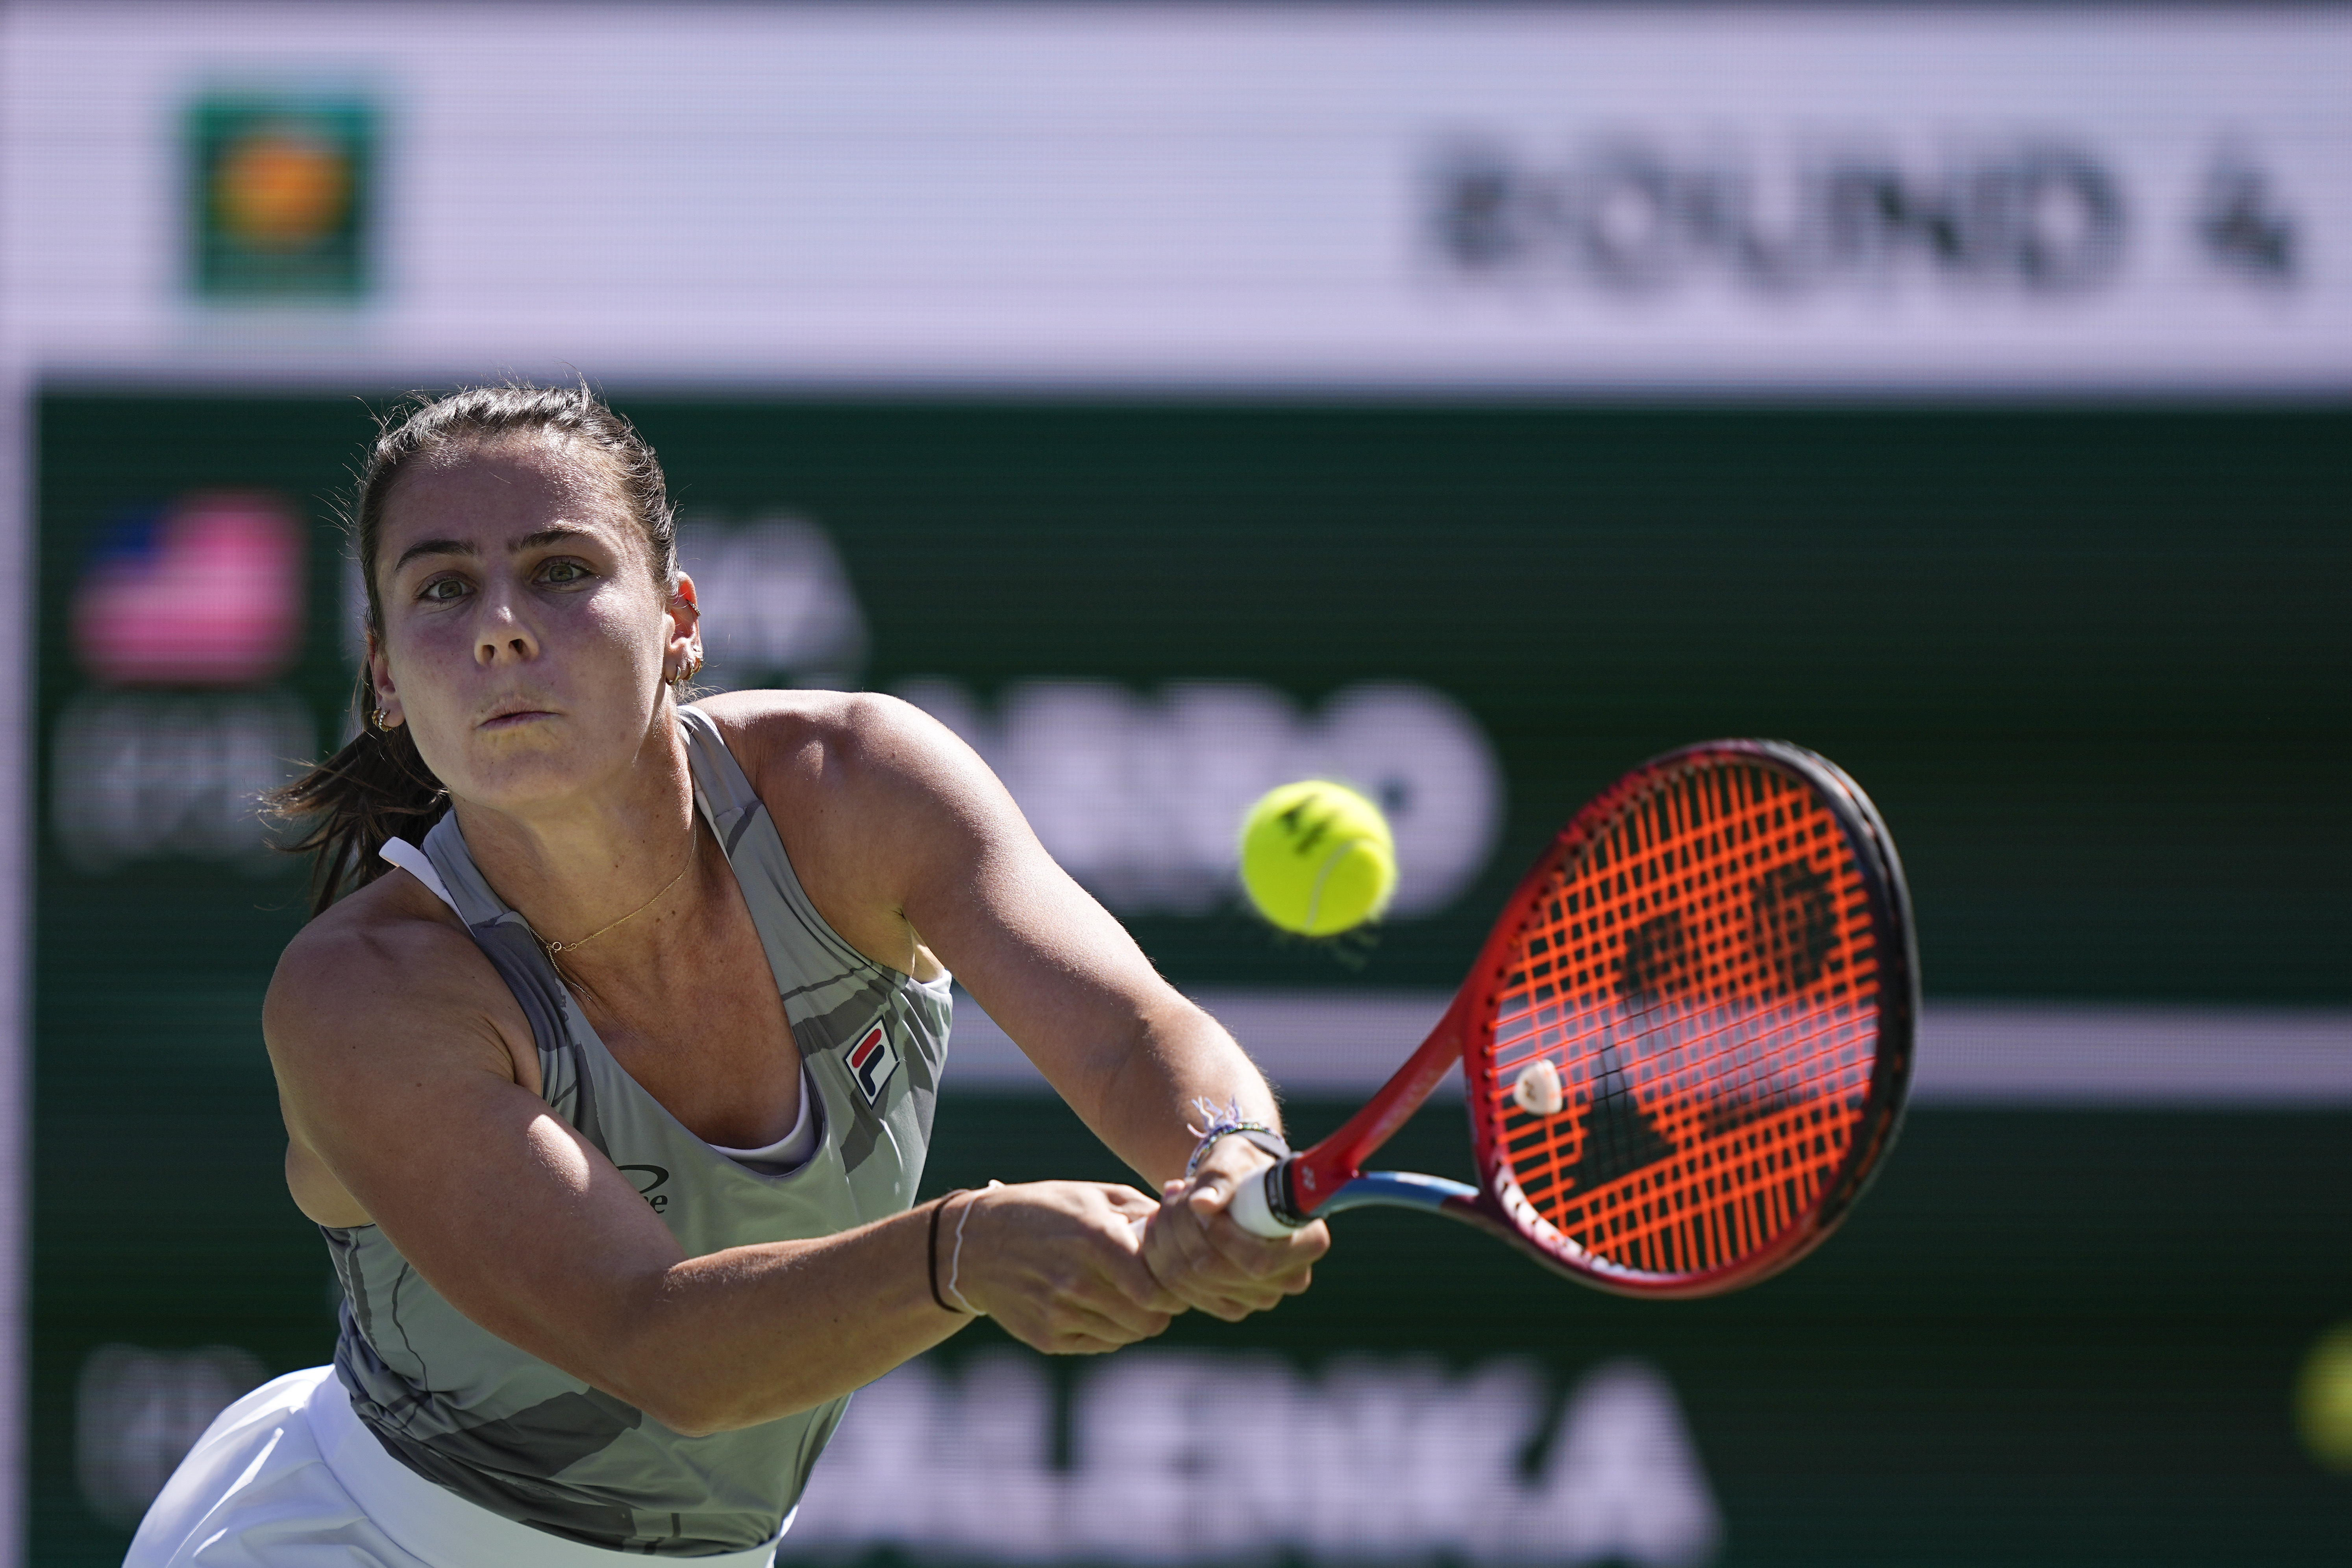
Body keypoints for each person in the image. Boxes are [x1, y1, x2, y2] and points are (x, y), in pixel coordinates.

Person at [126, 384, 1327, 1568]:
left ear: (679, 621)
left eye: (561, 570)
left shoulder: (861, 786)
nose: (502, 625)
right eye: (444, 589)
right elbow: (661, 1348)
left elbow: (1128, 1036)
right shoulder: (365, 993)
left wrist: (1229, 1155)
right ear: (387, 677)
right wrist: (961, 1252)